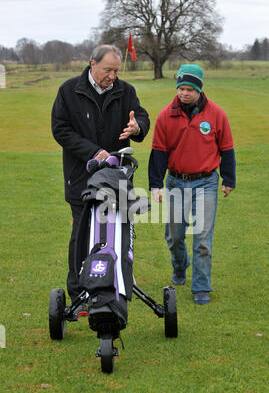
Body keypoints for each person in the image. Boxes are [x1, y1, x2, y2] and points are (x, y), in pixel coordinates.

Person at [51, 44, 150, 318]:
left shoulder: (125, 91)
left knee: (117, 234)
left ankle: (115, 287)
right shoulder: (68, 91)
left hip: (116, 180)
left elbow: (141, 116)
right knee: (81, 236)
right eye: (107, 70)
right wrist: (93, 152)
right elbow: (60, 129)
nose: (112, 76)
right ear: (92, 64)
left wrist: (137, 126)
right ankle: (79, 296)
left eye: (116, 70)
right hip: (81, 179)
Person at [148, 64, 236, 305]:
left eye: (189, 89)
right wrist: (155, 184)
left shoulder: (216, 114)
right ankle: (180, 264)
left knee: (203, 238)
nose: (184, 93)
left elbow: (226, 148)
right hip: (175, 181)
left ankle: (201, 286)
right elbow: (158, 152)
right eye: (180, 88)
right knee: (175, 236)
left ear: (199, 90)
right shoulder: (166, 115)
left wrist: (228, 179)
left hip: (206, 182)